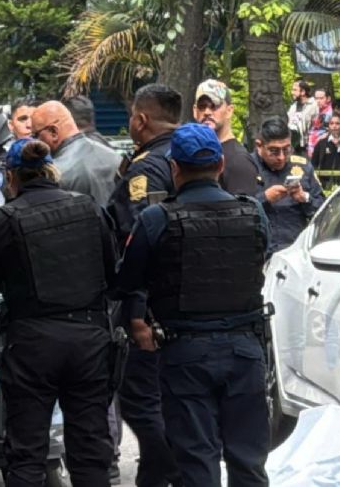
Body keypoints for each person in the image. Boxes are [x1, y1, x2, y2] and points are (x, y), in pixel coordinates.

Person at [115, 123, 270, 487]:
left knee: (196, 459)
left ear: (174, 169)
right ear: (219, 166)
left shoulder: (156, 219)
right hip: (245, 350)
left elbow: (127, 282)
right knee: (248, 459)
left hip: (185, 353)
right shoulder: (253, 213)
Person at [0, 138, 117, 486]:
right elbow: (112, 274)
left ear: (11, 177)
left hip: (32, 344)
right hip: (89, 340)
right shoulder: (89, 209)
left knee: (27, 453)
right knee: (90, 451)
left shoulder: (1, 220)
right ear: (50, 171)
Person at [106, 83, 183, 487]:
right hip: (185, 302)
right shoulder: (193, 156)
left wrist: (136, 313)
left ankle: (172, 467)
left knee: (139, 399)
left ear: (140, 119)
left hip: (150, 308)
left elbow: (140, 242)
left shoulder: (147, 167)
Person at [253, 117, 325, 254]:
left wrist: (304, 198)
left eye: (286, 150)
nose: (281, 157)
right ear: (259, 145)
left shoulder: (302, 167)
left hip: (295, 251)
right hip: (258, 252)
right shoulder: (246, 166)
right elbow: (235, 209)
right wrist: (263, 199)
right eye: (274, 151)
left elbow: (324, 209)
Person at [32, 100, 121, 206]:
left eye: (35, 135)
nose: (33, 141)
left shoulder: (54, 173)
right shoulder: (115, 157)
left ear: (53, 132)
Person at [192, 79, 259, 196]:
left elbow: (245, 211)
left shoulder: (238, 160)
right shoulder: (193, 152)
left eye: (214, 106)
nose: (207, 112)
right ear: (194, 111)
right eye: (202, 107)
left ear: (229, 110)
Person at [311, 112, 340, 187]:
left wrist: (339, 147)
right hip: (324, 183)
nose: (334, 126)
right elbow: (313, 163)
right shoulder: (322, 143)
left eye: (337, 123)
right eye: (331, 123)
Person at [286, 80, 317, 154]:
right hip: (294, 144)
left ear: (303, 92)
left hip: (308, 145)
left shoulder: (314, 105)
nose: (292, 92)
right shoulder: (293, 106)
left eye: (295, 90)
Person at [307, 87, 333, 158]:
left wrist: (326, 136)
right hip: (310, 142)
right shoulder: (314, 109)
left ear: (328, 99)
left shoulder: (331, 112)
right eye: (316, 98)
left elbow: (335, 129)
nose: (318, 101)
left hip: (323, 144)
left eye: (321, 98)